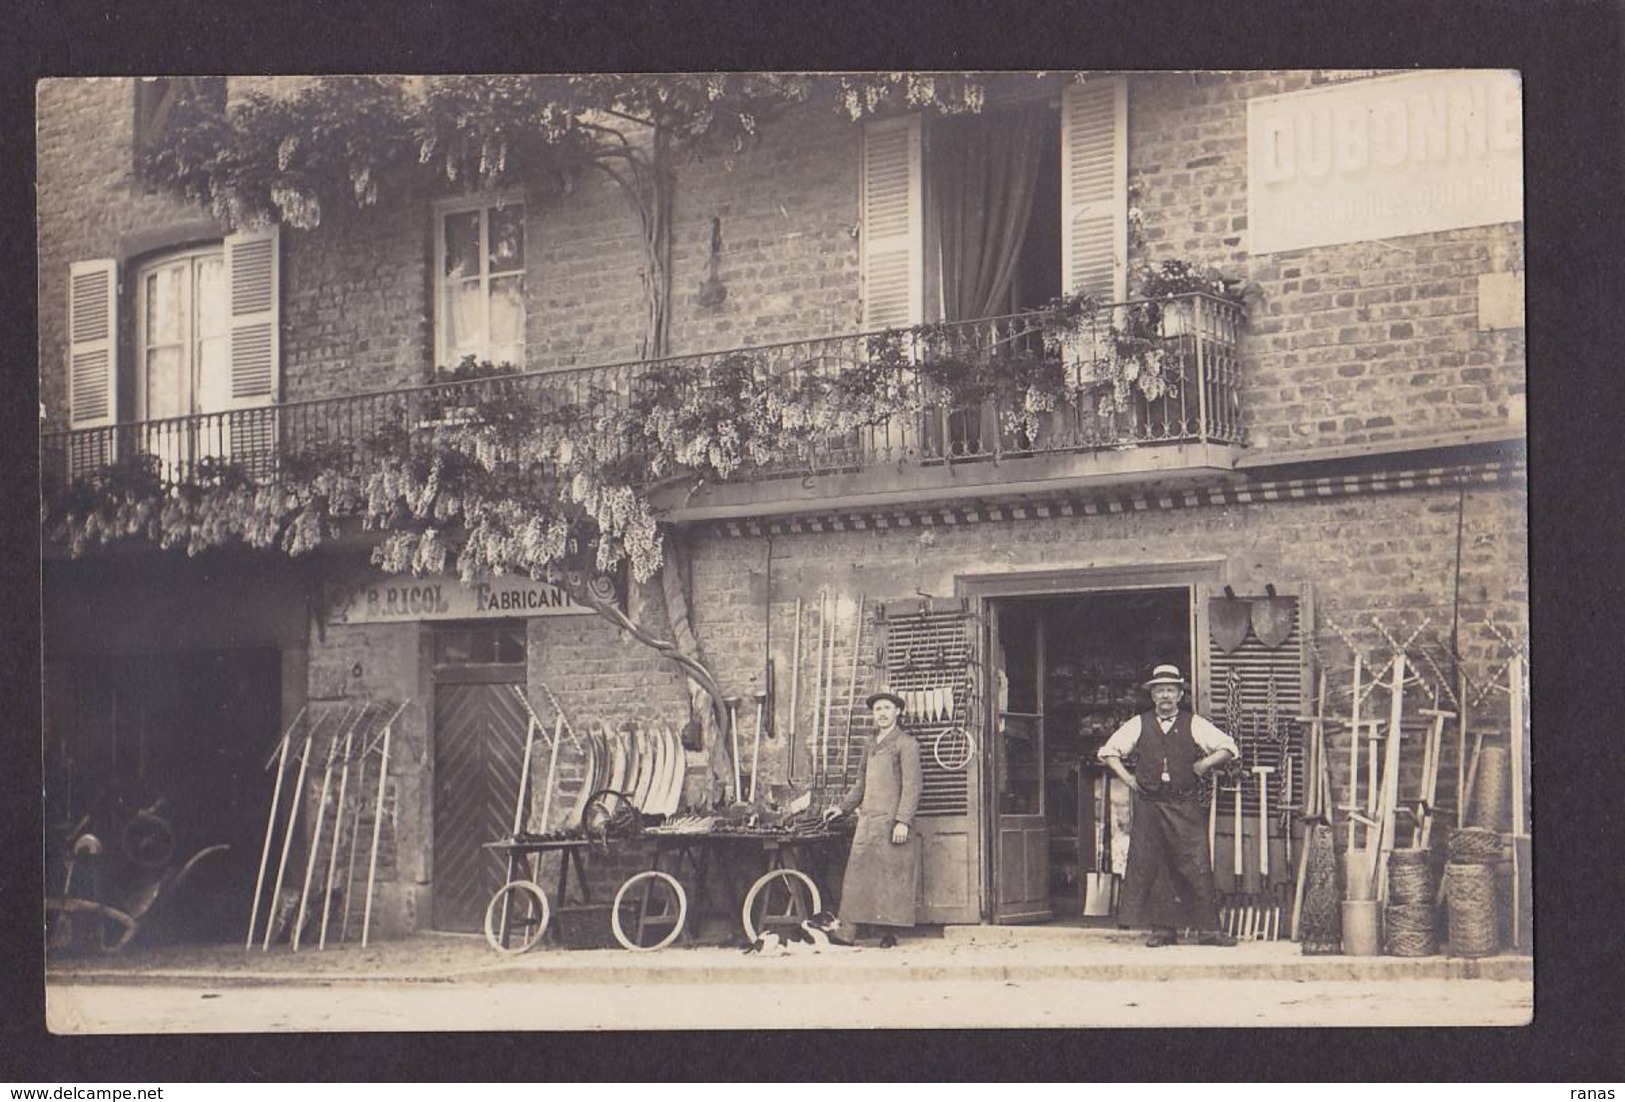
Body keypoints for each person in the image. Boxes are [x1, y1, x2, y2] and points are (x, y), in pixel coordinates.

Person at [1098, 664, 1239, 948]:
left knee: (1196, 863)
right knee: (1155, 865)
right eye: (1159, 690)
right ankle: (1163, 931)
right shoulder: (1139, 723)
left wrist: (1202, 765)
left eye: (1170, 690)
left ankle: (1209, 931)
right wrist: (1128, 779)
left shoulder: (1193, 723)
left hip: (1184, 802)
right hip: (1150, 803)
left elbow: (1229, 747)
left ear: (1180, 694)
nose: (1165, 696)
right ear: (1152, 696)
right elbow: (1108, 752)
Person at [822, 690, 922, 943]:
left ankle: (888, 933)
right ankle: (846, 933)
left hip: (891, 823)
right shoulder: (870, 745)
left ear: (898, 712)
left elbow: (912, 786)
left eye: (887, 708)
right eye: (878, 709)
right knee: (857, 876)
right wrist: (843, 807)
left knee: (890, 877)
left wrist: (903, 821)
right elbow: (860, 783)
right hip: (868, 821)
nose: (882, 714)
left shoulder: (907, 745)